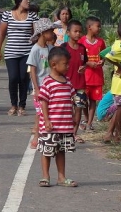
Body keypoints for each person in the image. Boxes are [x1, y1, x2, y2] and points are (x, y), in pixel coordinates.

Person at [37, 46, 78, 187]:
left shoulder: (68, 82)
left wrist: (74, 115)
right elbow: (43, 101)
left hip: (64, 125)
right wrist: (46, 120)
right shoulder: (48, 82)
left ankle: (61, 177)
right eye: (65, 64)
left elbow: (72, 100)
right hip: (51, 126)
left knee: (61, 151)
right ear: (54, 65)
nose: (68, 67)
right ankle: (45, 176)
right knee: (47, 151)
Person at [0, 0, 39, 116]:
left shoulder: (32, 16)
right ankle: (13, 104)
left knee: (24, 78)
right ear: (19, 0)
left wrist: (35, 38)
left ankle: (22, 106)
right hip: (11, 52)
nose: (29, 1)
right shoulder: (7, 15)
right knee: (13, 78)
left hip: (27, 52)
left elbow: (36, 33)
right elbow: (1, 34)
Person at [28, 18, 58, 147]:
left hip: (50, 86)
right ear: (42, 33)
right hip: (40, 86)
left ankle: (46, 133)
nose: (52, 33)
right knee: (40, 111)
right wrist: (36, 88)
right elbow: (32, 70)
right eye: (50, 31)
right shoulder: (35, 49)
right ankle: (36, 135)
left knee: (48, 110)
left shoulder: (51, 48)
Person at [63, 20, 88, 143]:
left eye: (80, 31)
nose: (78, 34)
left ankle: (74, 133)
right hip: (66, 85)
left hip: (80, 85)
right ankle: (64, 132)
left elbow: (85, 63)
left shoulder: (82, 49)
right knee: (67, 110)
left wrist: (84, 67)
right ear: (68, 32)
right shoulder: (63, 48)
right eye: (75, 31)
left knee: (78, 108)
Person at [79, 16, 106, 131]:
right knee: (83, 100)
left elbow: (103, 56)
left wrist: (102, 61)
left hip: (97, 77)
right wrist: (88, 63)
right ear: (89, 27)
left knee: (93, 100)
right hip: (85, 76)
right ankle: (86, 118)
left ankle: (90, 122)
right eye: (97, 26)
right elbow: (79, 58)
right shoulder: (81, 42)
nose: (99, 28)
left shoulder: (101, 42)